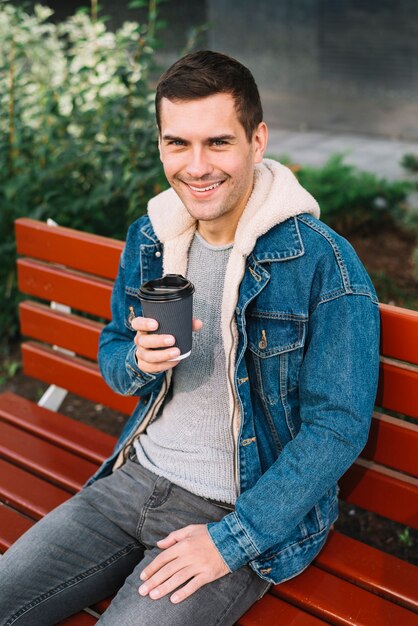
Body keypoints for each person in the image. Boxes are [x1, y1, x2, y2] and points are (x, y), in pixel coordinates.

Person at [0, 50, 380, 626]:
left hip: (236, 512)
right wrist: (138, 360)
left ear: (257, 141)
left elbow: (337, 425)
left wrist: (233, 540)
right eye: (177, 143)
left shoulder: (322, 261)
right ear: (160, 144)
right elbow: (112, 349)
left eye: (218, 143)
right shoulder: (153, 238)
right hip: (133, 479)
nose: (196, 166)